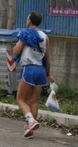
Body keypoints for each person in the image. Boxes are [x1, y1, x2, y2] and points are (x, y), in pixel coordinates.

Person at [13, 11, 55, 139]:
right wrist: (48, 74)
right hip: (41, 71)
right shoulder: (45, 37)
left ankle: (31, 121)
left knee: (20, 99)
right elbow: (47, 58)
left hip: (29, 69)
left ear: (29, 21)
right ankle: (30, 130)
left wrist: (16, 48)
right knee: (33, 101)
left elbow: (16, 50)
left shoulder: (25, 33)